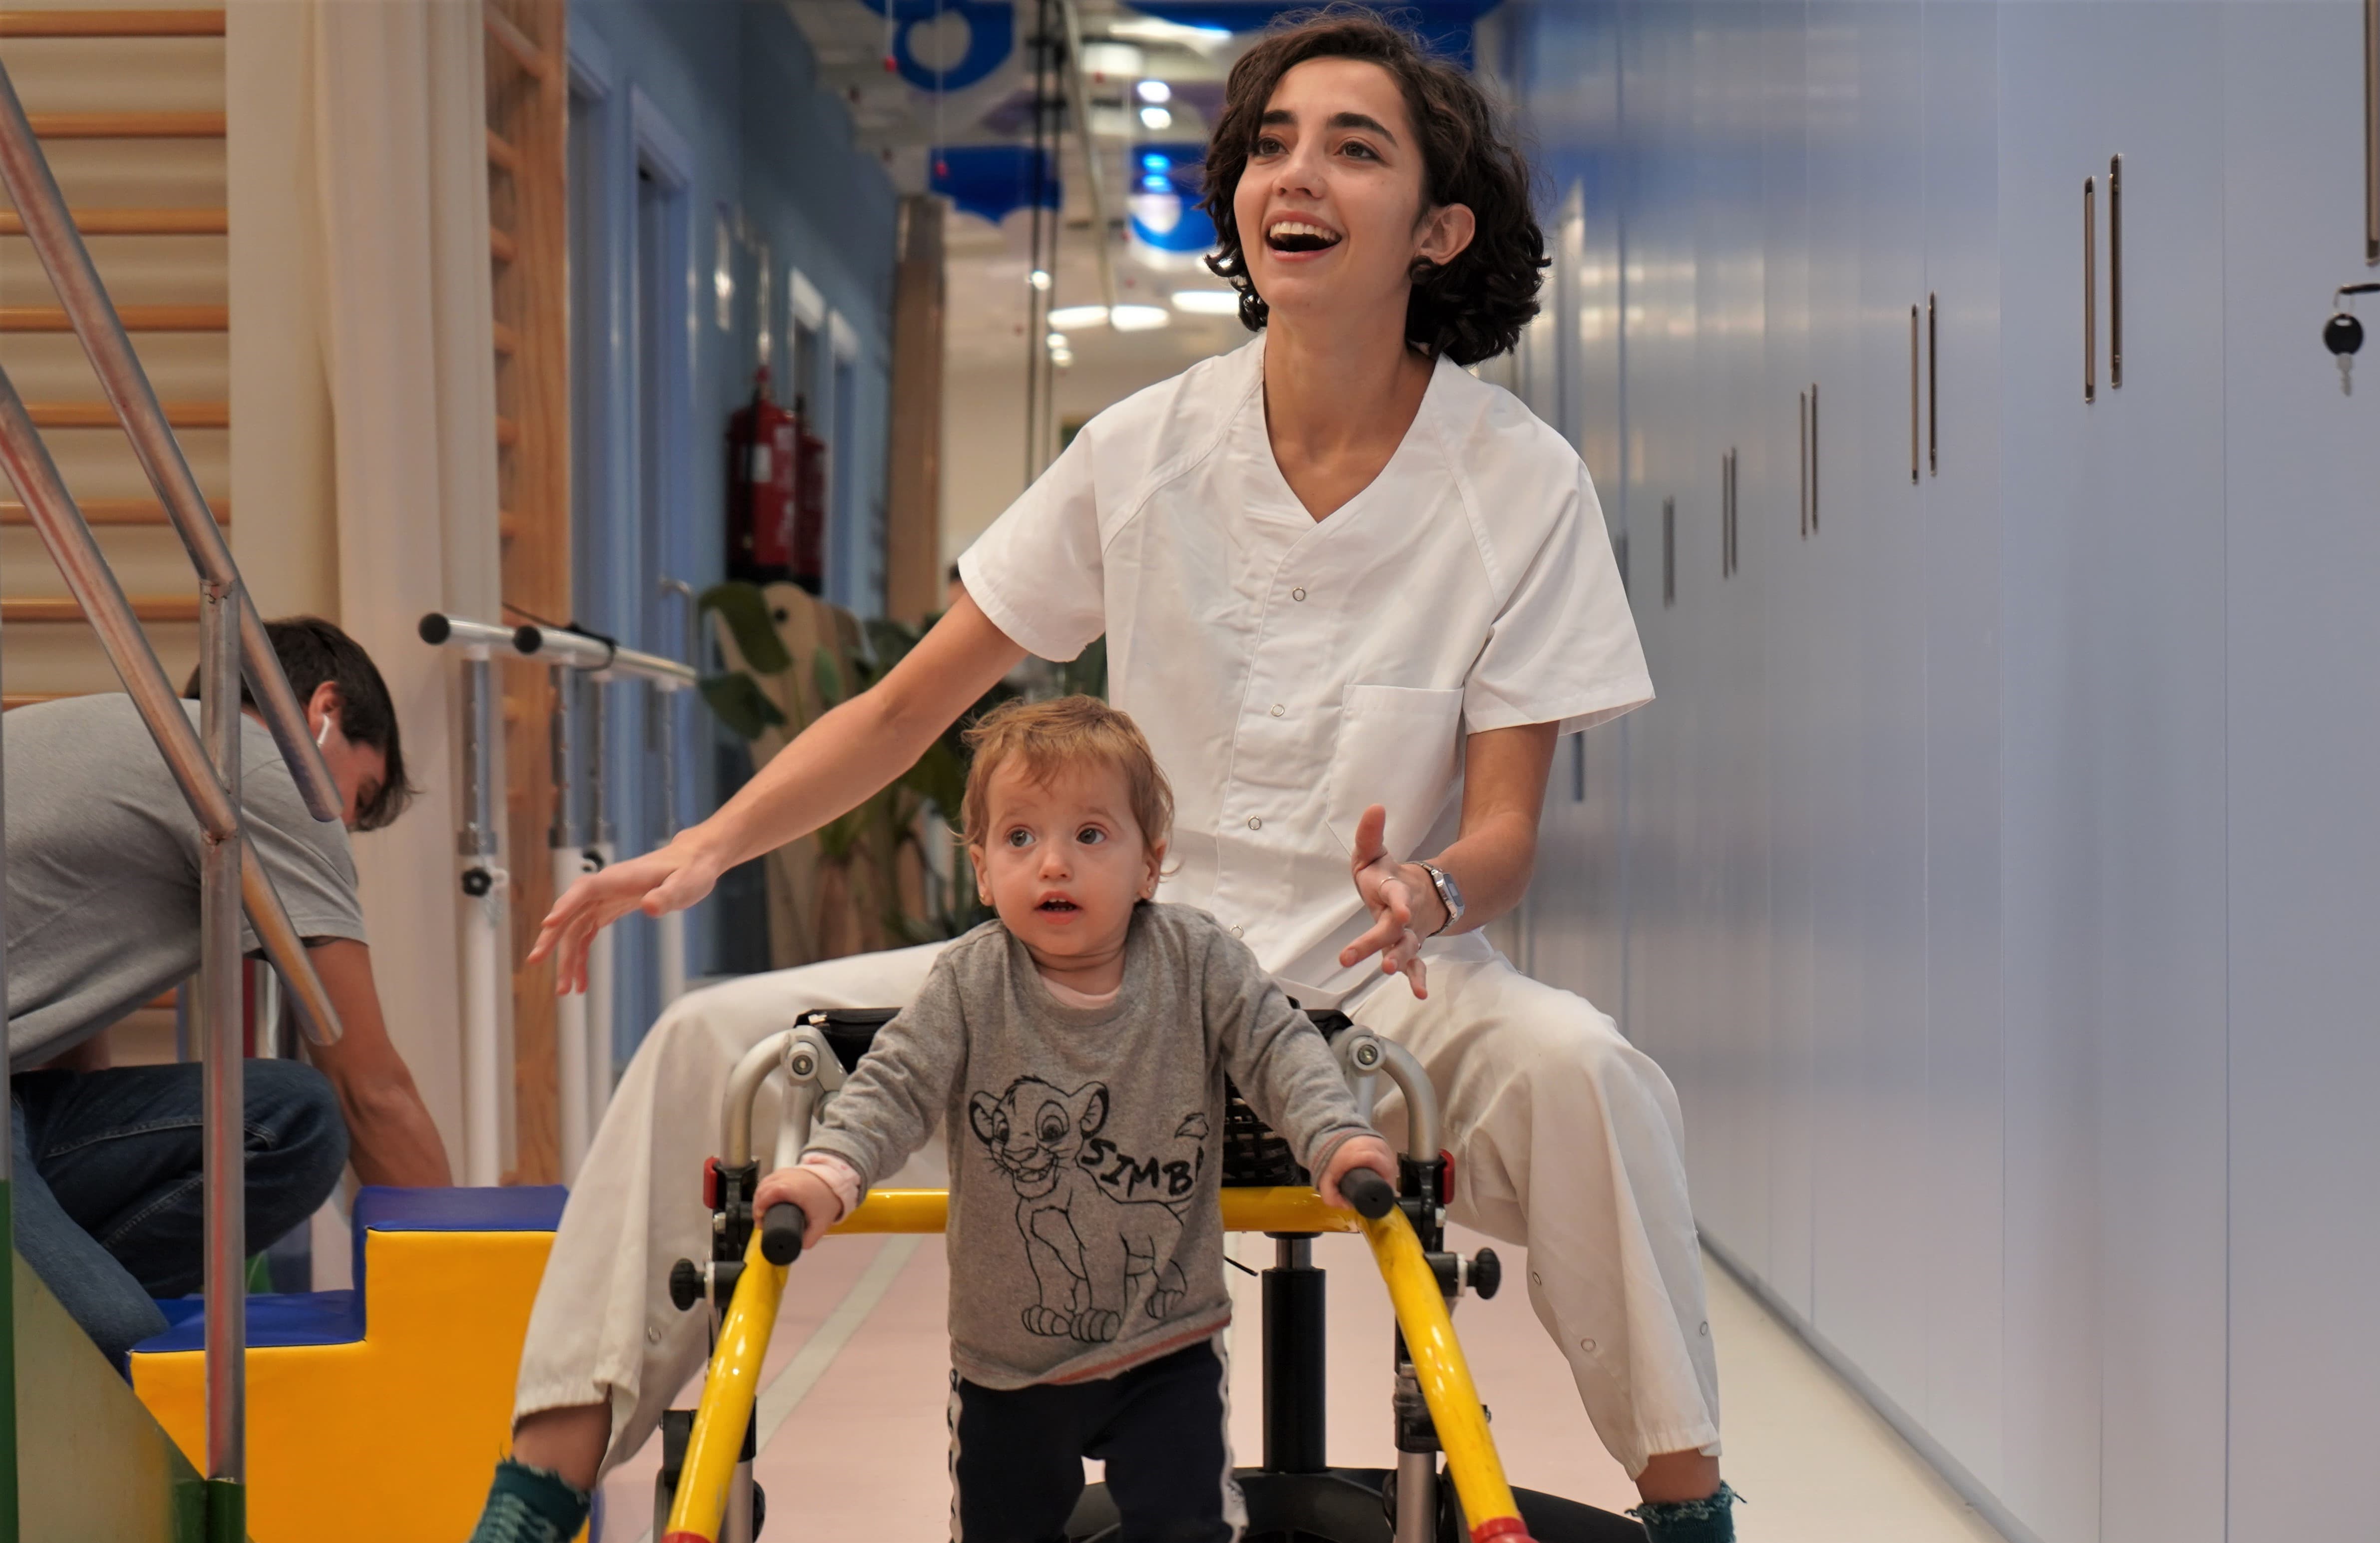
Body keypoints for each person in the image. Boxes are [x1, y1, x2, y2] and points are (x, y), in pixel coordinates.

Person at [477, 13, 1734, 1543]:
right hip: (1097, 977)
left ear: (1437, 229)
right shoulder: (1146, 448)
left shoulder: (1517, 480)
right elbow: (905, 705)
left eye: (1353, 148)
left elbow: (1507, 829)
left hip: (1379, 991)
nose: (1296, 173)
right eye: (1270, 143)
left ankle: (1691, 1511)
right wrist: (706, 848)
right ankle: (532, 1497)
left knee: (1590, 1071)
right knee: (705, 1041)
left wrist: (1429, 887)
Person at [791, 698, 1397, 1542]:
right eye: (1020, 837)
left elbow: (1278, 1046)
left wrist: (1335, 1133)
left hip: (1166, 1346)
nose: (1053, 865)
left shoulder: (1196, 960)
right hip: (1009, 1364)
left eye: (1089, 835)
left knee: (1186, 1530)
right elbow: (895, 1083)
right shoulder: (970, 982)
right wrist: (831, 1168)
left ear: (1148, 864)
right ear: (982, 871)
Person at [5, 616, 456, 1368]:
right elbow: (372, 1089)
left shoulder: (129, 733)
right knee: (123, 1355)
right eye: (362, 792)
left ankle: (42, 1303)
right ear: (325, 709)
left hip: (18, 1098)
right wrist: (464, 1294)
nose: (342, 825)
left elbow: (65, 993)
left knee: (292, 1115)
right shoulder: (258, 770)